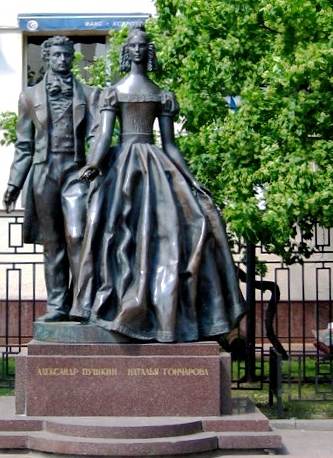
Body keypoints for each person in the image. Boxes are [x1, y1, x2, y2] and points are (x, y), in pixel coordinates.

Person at [70, 26, 246, 342]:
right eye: (132, 46)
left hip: (155, 164)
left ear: (148, 52)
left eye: (142, 46)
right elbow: (105, 138)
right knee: (115, 231)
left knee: (186, 224)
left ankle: (166, 312)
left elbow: (171, 145)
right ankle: (115, 303)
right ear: (126, 52)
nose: (137, 50)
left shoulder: (162, 95)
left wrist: (191, 180)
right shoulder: (114, 92)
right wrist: (93, 165)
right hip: (122, 165)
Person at [3, 36, 100, 322]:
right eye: (56, 55)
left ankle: (82, 302)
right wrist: (14, 183)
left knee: (78, 235)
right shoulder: (29, 96)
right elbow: (23, 146)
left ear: (72, 58)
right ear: (47, 58)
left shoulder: (89, 95)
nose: (62, 60)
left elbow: (95, 134)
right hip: (44, 171)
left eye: (66, 55)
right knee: (53, 242)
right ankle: (58, 303)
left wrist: (95, 162)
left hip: (76, 171)